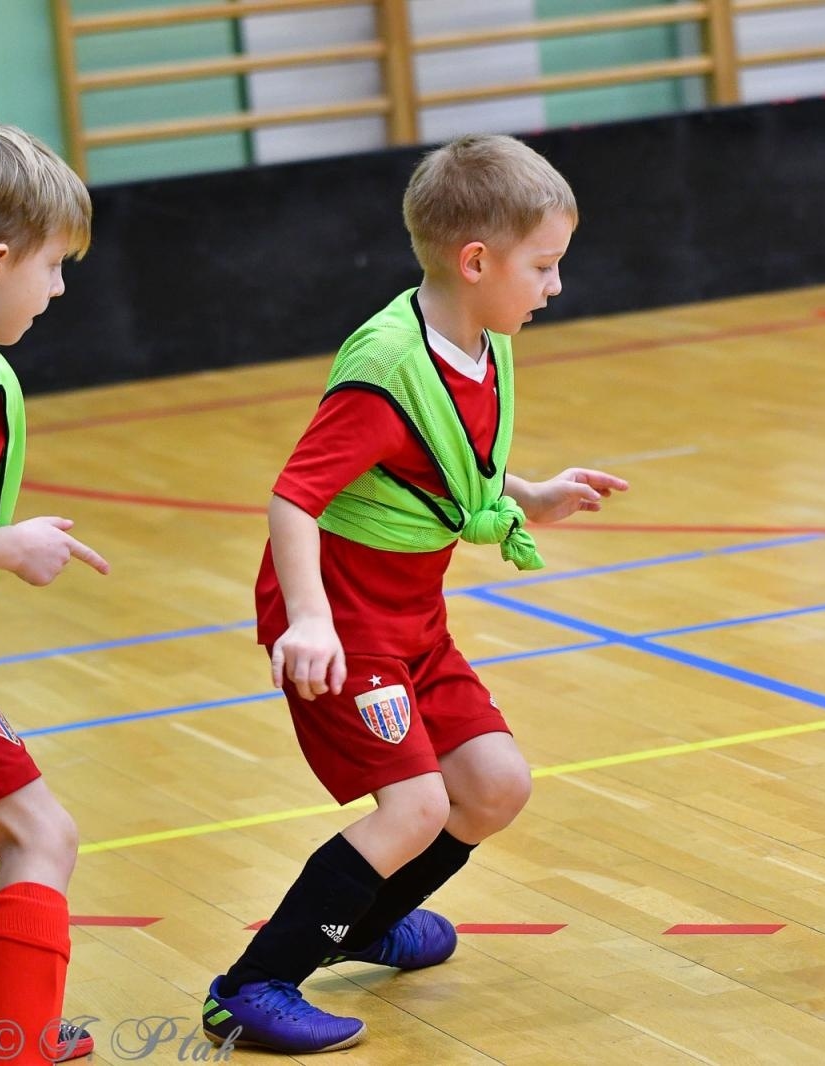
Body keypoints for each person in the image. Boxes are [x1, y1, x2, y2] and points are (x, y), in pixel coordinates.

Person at [201, 133, 628, 1053]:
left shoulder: (482, 339)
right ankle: (255, 983)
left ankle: (360, 920)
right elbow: (294, 496)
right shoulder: (387, 364)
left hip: (409, 617)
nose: (555, 286)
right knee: (418, 807)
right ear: (476, 262)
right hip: (345, 621)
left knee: (495, 785)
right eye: (544, 266)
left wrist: (527, 491)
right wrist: (310, 620)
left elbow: (450, 463)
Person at [0, 120, 107, 1065]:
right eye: (54, 266)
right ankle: (18, 1046)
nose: (58, 289)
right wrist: (8, 546)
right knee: (41, 834)